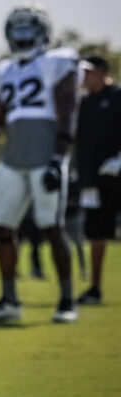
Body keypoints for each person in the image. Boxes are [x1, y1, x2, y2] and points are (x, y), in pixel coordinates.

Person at [0, 3, 80, 324]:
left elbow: (69, 113)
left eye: (28, 30)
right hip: (13, 157)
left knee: (52, 228)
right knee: (2, 228)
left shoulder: (57, 63)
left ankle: (66, 300)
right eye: (17, 31)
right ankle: (9, 300)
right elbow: (1, 121)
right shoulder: (5, 70)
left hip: (45, 154)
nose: (22, 37)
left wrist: (58, 159)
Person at [74, 55, 121, 304]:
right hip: (94, 182)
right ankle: (95, 288)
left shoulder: (117, 97)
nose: (84, 78)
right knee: (96, 234)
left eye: (88, 72)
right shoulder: (83, 103)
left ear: (101, 72)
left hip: (118, 175)